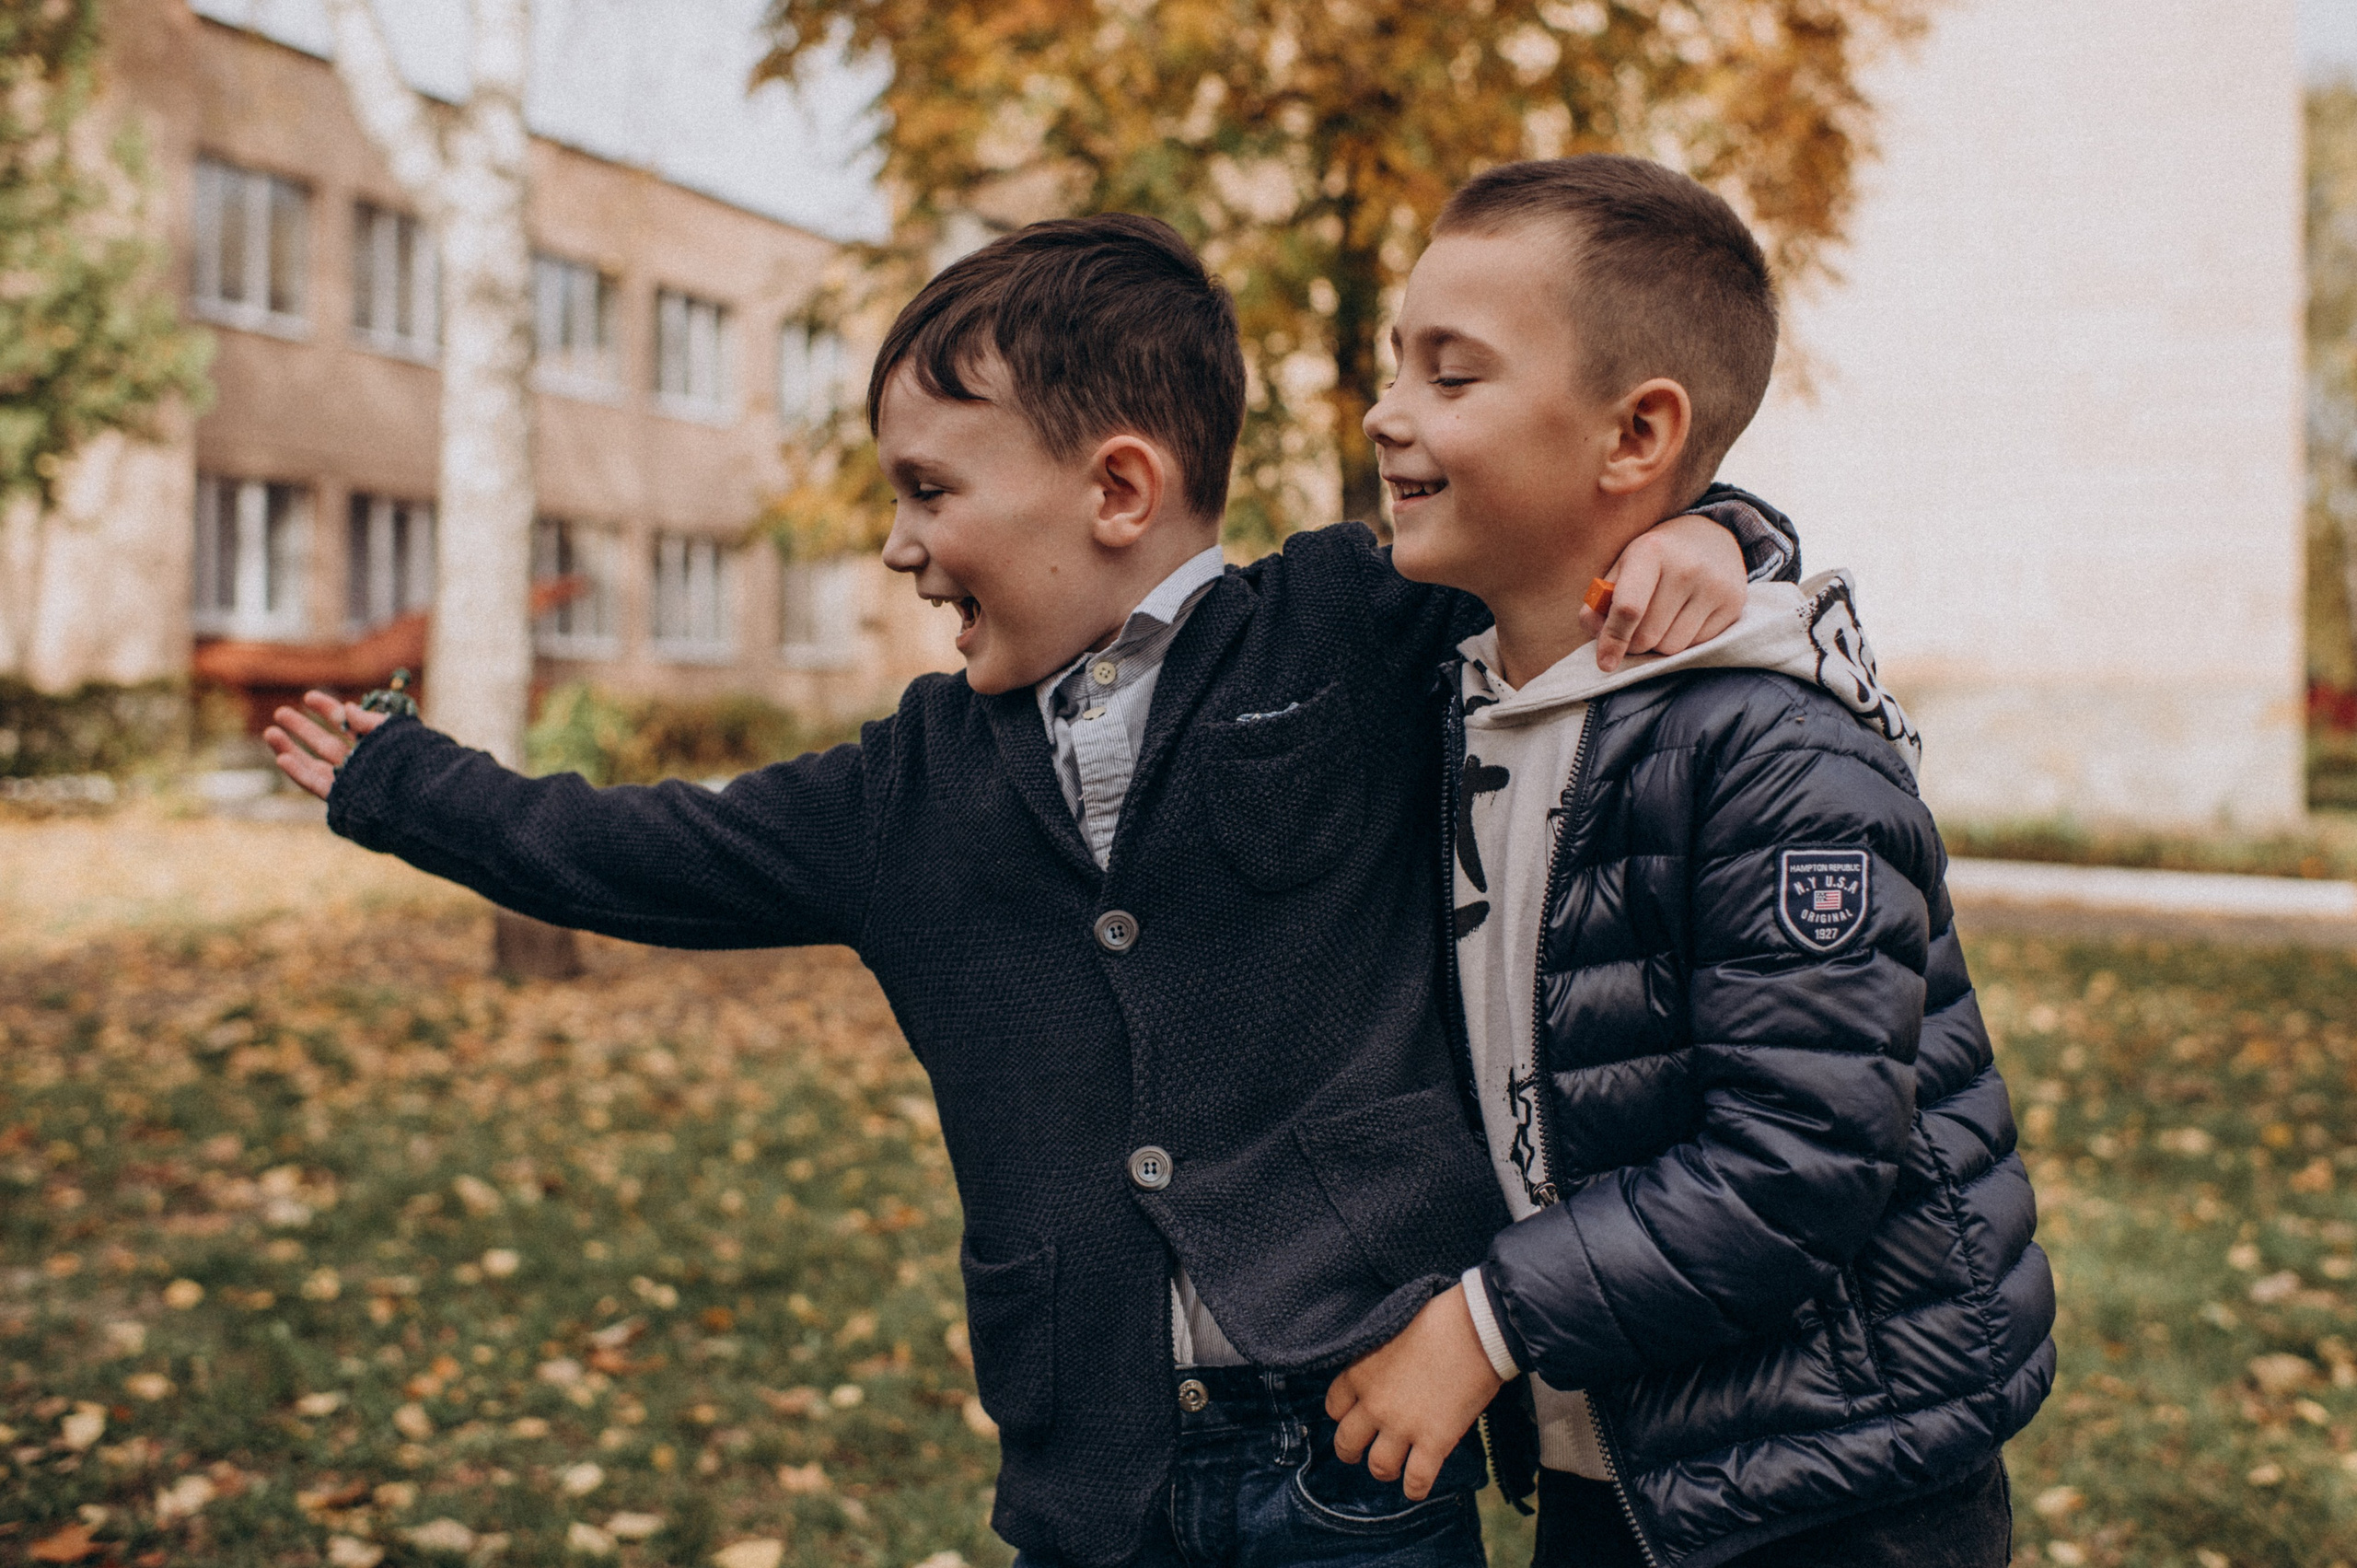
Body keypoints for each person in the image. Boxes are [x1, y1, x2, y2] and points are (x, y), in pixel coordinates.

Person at [264, 213, 1797, 1568]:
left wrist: (1717, 532)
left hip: (1357, 1439)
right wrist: (400, 783)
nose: (897, 546)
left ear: (1118, 488)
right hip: (1091, 1468)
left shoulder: (1349, 625)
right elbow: (636, 848)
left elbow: (1559, 538)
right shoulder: (907, 788)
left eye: (929, 490)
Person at [1318, 156, 2054, 1568]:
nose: (1386, 410)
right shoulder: (1460, 695)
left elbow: (1801, 1158)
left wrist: (1484, 1325)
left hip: (1836, 1483)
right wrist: (1728, 524)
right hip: (1618, 1449)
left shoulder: (1774, 753)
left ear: (1638, 432)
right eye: (1397, 363)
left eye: (1451, 375)